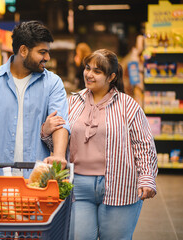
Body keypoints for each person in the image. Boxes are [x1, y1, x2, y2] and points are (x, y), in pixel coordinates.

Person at [41, 49, 158, 240]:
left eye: (97, 71)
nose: (89, 74)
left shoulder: (128, 106)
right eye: (88, 68)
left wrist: (146, 177)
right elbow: (57, 144)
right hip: (78, 186)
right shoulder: (72, 102)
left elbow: (144, 146)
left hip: (120, 185)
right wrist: (46, 131)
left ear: (111, 76)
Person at [0, 21, 70, 177]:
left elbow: (60, 123)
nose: (47, 57)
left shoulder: (52, 83)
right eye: (42, 52)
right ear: (23, 50)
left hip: (36, 180)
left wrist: (59, 155)